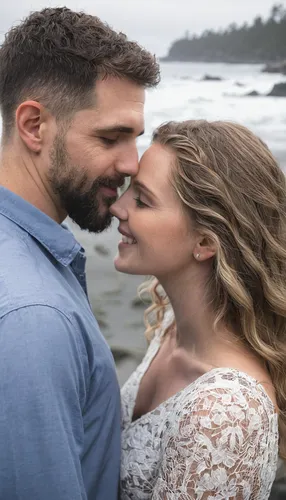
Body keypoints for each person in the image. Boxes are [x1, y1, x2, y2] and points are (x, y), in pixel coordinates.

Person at [0, 7, 159, 500]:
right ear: (34, 125)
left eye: (135, 137)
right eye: (110, 137)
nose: (132, 164)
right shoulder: (33, 317)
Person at [110, 120, 285, 499]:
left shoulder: (225, 413)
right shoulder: (173, 328)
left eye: (141, 199)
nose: (118, 207)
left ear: (205, 241)